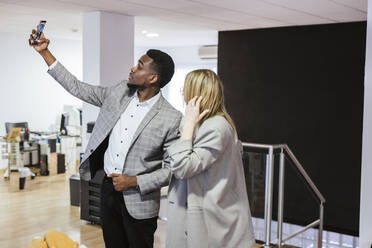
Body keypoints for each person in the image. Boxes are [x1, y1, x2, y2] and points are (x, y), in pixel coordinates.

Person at [29, 29, 182, 248]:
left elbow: (172, 169)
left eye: (140, 65)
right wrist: (45, 53)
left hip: (139, 200)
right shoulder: (120, 92)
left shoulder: (171, 117)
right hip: (108, 188)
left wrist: (135, 181)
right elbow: (77, 87)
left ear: (153, 78)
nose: (132, 68)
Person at [165, 69, 255, 248]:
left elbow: (182, 167)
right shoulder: (200, 123)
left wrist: (189, 124)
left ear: (196, 94)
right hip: (198, 210)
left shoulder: (215, 127)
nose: (183, 93)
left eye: (186, 88)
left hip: (211, 218)